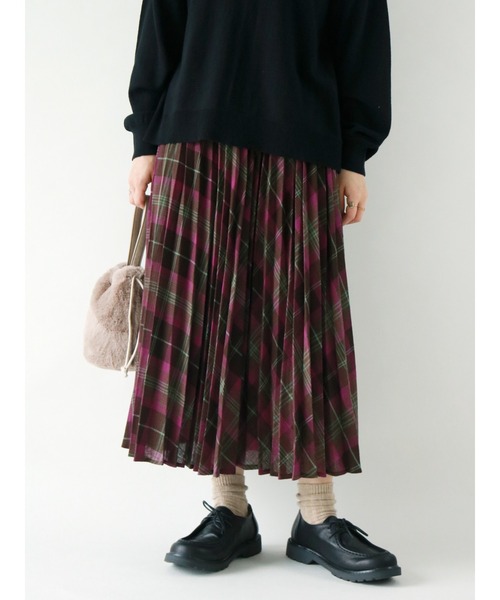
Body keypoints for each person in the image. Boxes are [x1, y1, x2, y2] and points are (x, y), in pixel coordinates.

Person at [123, 0, 401, 583]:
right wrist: (145, 141)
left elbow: (362, 39)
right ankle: (229, 508)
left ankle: (316, 516)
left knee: (304, 325)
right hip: (193, 132)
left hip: (302, 134)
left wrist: (355, 154)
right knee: (212, 323)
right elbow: (160, 26)